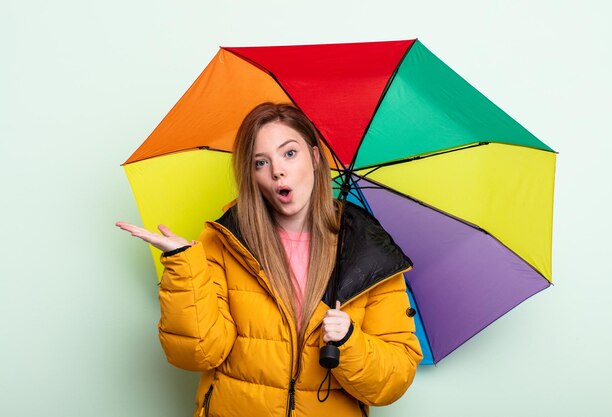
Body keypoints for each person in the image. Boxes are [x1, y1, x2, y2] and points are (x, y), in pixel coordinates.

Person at [116, 103, 422, 417]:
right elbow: (198, 354)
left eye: (289, 153)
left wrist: (348, 340)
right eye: (261, 162)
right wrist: (183, 265)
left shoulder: (369, 253)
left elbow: (393, 381)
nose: (277, 170)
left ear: (315, 159)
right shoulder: (226, 242)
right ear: (251, 175)